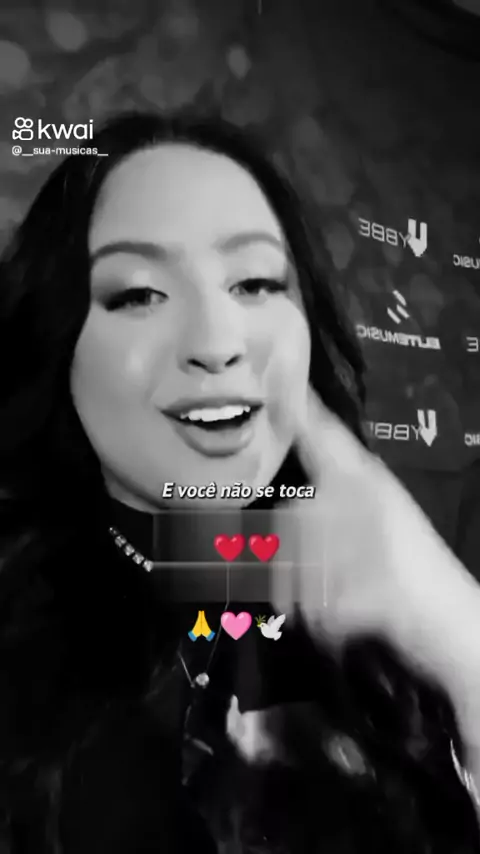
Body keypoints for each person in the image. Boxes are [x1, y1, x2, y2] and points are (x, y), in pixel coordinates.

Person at [1, 112, 480, 854]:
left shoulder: (378, 595)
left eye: (255, 282)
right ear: (59, 339)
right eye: (140, 293)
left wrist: (462, 643)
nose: (219, 343)